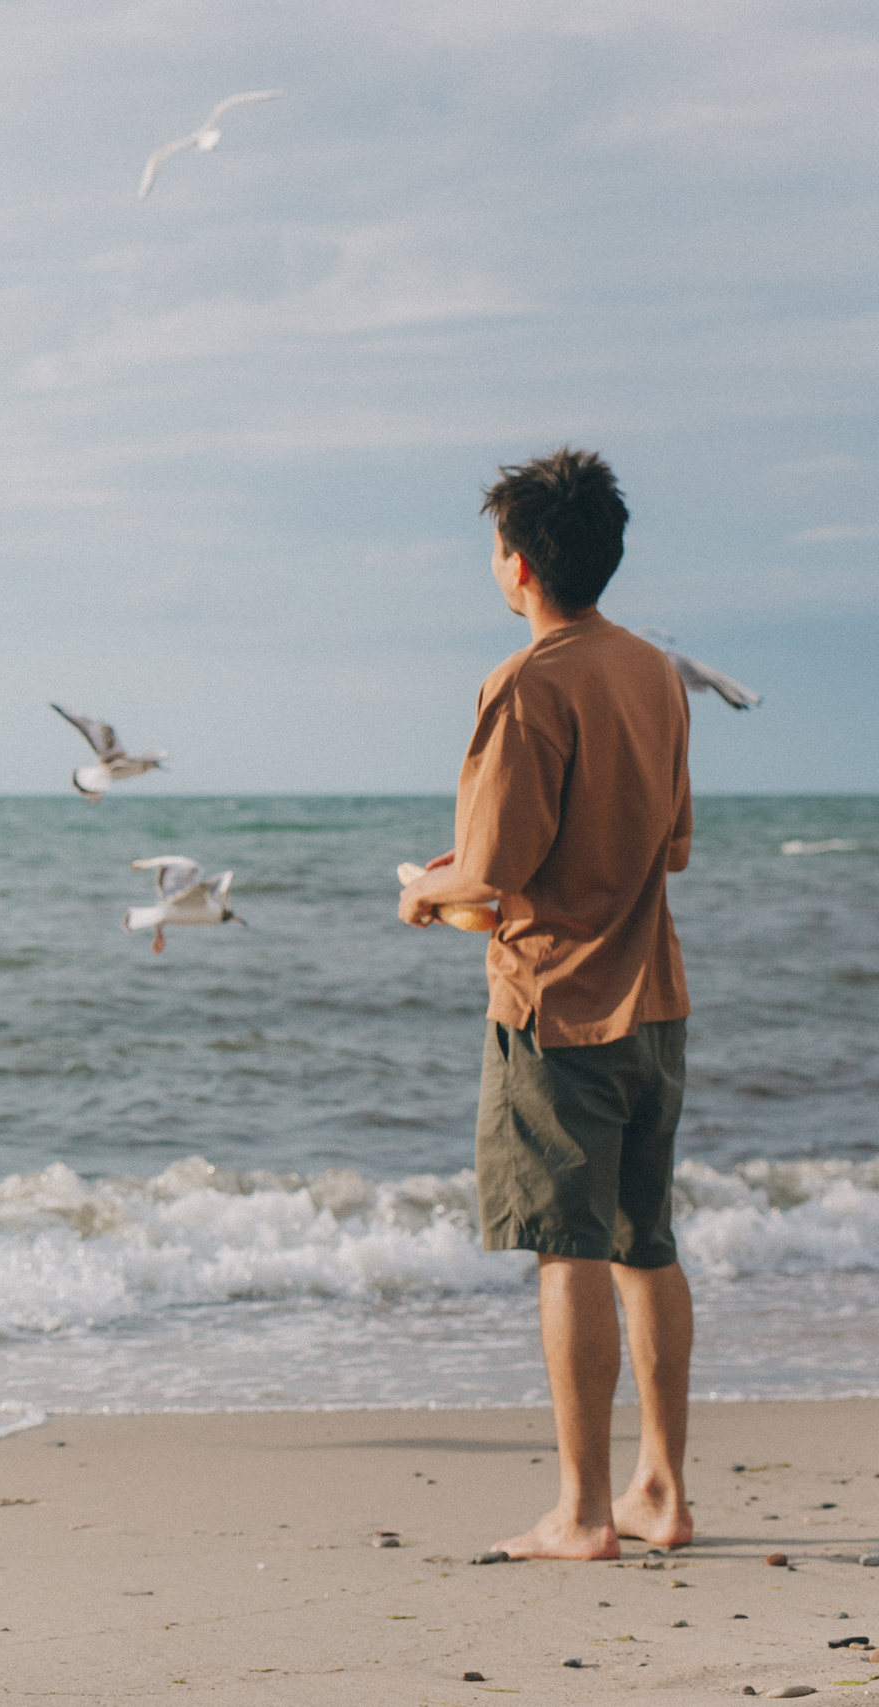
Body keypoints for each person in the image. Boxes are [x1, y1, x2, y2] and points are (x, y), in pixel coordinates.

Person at [398, 447, 695, 1562]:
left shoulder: (527, 682)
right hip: (653, 997)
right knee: (645, 1244)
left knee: (563, 1248)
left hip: (555, 1008)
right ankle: (660, 1492)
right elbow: (664, 846)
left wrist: (428, 892)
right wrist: (476, 863)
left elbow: (494, 874)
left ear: (516, 566)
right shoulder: (657, 672)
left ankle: (579, 1513)